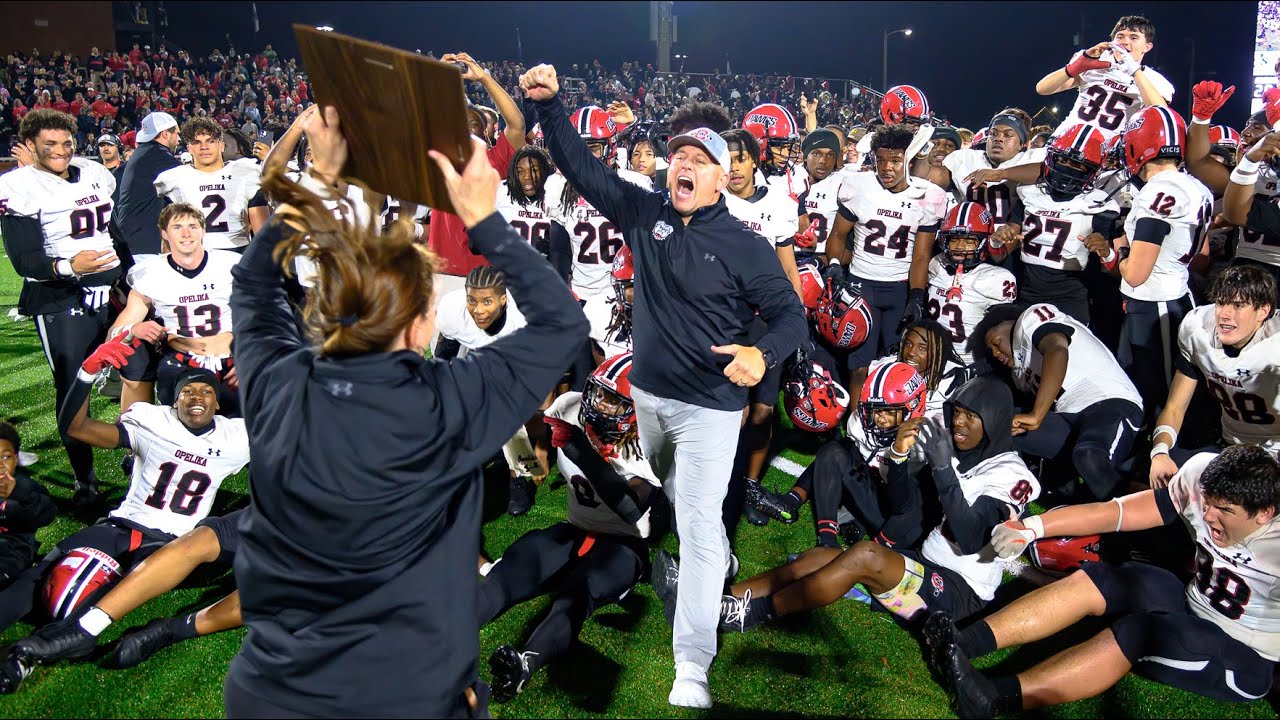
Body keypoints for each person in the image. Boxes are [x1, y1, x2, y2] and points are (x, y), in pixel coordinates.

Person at [223, 106, 586, 718]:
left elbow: (252, 284)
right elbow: (563, 324)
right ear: (421, 326)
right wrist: (485, 220)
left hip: (269, 690)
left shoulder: (274, 381)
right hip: (403, 694)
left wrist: (320, 183)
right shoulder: (449, 400)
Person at [524, 63, 807, 708]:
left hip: (709, 409)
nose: (681, 163)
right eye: (675, 153)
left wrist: (762, 356)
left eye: (697, 157)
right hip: (648, 403)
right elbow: (580, 167)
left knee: (701, 527)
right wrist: (551, 108)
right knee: (679, 498)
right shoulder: (643, 211)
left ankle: (693, 664)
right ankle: (717, 565)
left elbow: (791, 312)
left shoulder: (744, 243)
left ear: (720, 175)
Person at [656, 376, 1038, 635]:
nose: (959, 423)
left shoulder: (1010, 475)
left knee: (863, 556)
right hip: (920, 563)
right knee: (824, 556)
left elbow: (971, 537)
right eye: (958, 412)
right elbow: (903, 505)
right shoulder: (955, 447)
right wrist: (901, 460)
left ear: (996, 421)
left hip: (957, 597)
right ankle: (714, 601)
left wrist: (941, 468)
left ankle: (747, 617)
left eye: (972, 417)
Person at [932, 444, 1279, 717]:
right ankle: (961, 643)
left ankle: (991, 698)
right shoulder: (1204, 475)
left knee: (1141, 630)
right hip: (1194, 601)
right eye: (1208, 503)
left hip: (1245, 653)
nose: (1207, 515)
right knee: (1111, 577)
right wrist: (1032, 528)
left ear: (1265, 512)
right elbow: (1117, 513)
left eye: (1225, 511)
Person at [0, 349, 247, 693]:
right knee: (41, 575)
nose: (196, 397)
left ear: (218, 404)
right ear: (173, 403)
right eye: (187, 392)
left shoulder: (237, 437)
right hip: (121, 524)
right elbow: (76, 427)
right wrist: (86, 374)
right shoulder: (152, 421)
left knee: (86, 595)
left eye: (207, 391)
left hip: (169, 544)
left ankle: (22, 658)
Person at [481, 353, 659, 702]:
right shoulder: (570, 407)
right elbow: (517, 415)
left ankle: (525, 664)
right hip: (575, 527)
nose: (598, 406)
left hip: (625, 544)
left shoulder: (654, 445)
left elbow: (631, 508)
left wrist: (582, 453)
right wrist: (528, 462)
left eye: (613, 401)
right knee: (518, 564)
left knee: (576, 595)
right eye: (598, 393)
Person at [0, 109, 123, 505]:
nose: (60, 150)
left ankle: (143, 456)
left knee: (140, 371)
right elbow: (24, 259)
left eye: (66, 142)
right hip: (61, 296)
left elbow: (112, 228)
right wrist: (73, 267)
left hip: (112, 288)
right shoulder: (17, 186)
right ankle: (84, 481)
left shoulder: (92, 171)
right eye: (49, 144)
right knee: (73, 387)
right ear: (30, 146)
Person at [1107, 106, 1213, 426]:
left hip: (1156, 307)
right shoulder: (1197, 186)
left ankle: (1156, 464)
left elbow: (1137, 275)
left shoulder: (1157, 190)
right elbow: (1203, 255)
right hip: (1176, 296)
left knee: (1157, 396)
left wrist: (1119, 249)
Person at [974, 303, 1143, 501]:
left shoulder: (1030, 321)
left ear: (1008, 325)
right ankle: (1010, 499)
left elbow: (1057, 350)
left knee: (1089, 456)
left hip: (1110, 402)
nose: (995, 353)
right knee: (996, 425)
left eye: (996, 342)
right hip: (1069, 417)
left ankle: (1153, 512)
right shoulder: (1019, 374)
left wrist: (1037, 414)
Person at [825, 124, 949, 374]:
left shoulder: (928, 196)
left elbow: (921, 256)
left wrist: (916, 295)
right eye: (880, 160)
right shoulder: (859, 186)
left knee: (898, 365)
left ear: (910, 158)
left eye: (895, 160)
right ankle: (857, 415)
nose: (886, 167)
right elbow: (838, 234)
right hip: (861, 284)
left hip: (899, 288)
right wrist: (835, 266)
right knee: (859, 365)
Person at [1150, 266, 1280, 486]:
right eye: (1221, 303)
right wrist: (1160, 452)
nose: (1225, 314)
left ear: (1263, 311)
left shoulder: (1274, 346)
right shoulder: (1198, 329)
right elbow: (1174, 408)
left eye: (1238, 306)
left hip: (1274, 448)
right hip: (1230, 442)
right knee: (1170, 481)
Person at [110, 203, 241, 413]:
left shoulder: (231, 265)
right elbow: (113, 334)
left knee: (247, 433)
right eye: (177, 227)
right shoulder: (150, 273)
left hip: (231, 360)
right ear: (164, 233)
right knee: (181, 434)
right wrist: (133, 330)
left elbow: (267, 318)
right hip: (181, 363)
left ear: (203, 230)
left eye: (193, 226)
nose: (186, 233)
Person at [988, 122, 1122, 325]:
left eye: (1078, 165)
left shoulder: (1099, 205)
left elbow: (1114, 272)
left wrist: (1106, 253)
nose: (1067, 168)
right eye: (1062, 159)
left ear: (1092, 170)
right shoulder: (1030, 194)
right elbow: (1000, 256)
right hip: (1025, 293)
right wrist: (997, 241)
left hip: (1071, 299)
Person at [428, 51, 525, 278]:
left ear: (488, 134)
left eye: (475, 123)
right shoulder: (437, 159)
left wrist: (484, 78)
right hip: (443, 271)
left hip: (486, 275)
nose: (468, 128)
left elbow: (517, 125)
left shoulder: (494, 162)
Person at [1036, 15, 1174, 139]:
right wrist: (1075, 67)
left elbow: (1160, 114)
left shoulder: (1153, 79)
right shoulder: (1095, 61)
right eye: (1120, 36)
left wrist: (1136, 71)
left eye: (1133, 37)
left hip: (1108, 154)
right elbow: (1042, 89)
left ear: (1147, 47)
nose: (1125, 42)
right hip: (1066, 139)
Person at [925, 202, 1018, 364]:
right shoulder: (936, 265)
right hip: (933, 356)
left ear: (983, 243)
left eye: (968, 241)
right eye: (954, 240)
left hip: (971, 362)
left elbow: (1003, 336)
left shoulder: (997, 278)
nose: (960, 246)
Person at [152, 117, 262, 251]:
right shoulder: (174, 179)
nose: (204, 147)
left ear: (221, 145)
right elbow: (169, 230)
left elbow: (261, 232)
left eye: (210, 141)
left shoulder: (246, 173)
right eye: (197, 142)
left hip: (239, 250)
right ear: (189, 148)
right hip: (196, 253)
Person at [113, 111, 181, 259]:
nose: (179, 139)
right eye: (176, 133)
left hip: (133, 238)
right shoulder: (158, 156)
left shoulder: (143, 153)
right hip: (145, 244)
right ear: (165, 134)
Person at [0, 422, 56, 589]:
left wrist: (16, 492)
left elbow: (47, 514)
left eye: (5, 457)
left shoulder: (25, 487)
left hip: (11, 554)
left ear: (16, 459)